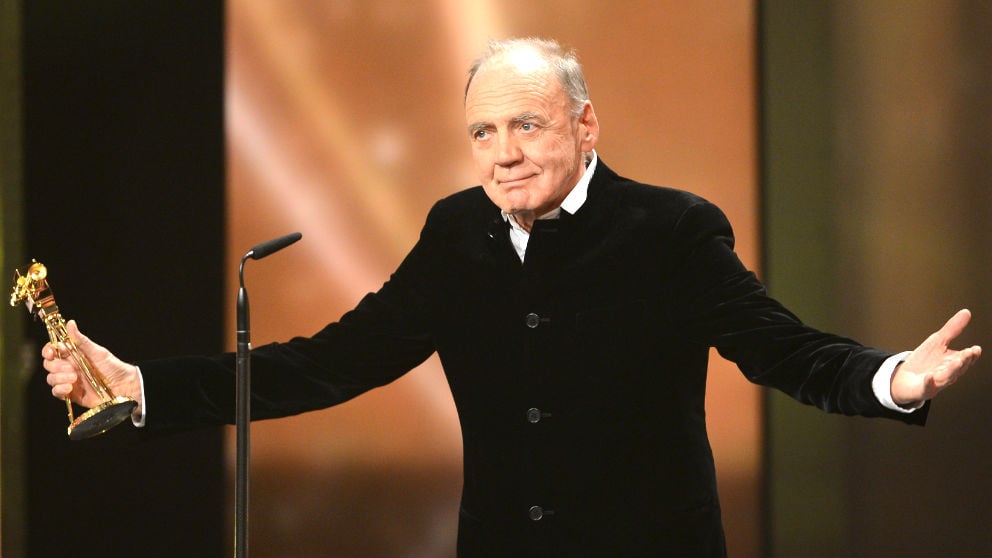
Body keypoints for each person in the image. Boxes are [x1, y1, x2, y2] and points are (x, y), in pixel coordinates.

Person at [43, 37, 981, 557]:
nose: (503, 154)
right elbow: (333, 361)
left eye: (526, 125)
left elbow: (785, 350)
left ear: (585, 125)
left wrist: (893, 378)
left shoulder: (672, 230)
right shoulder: (458, 231)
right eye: (483, 131)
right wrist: (143, 390)